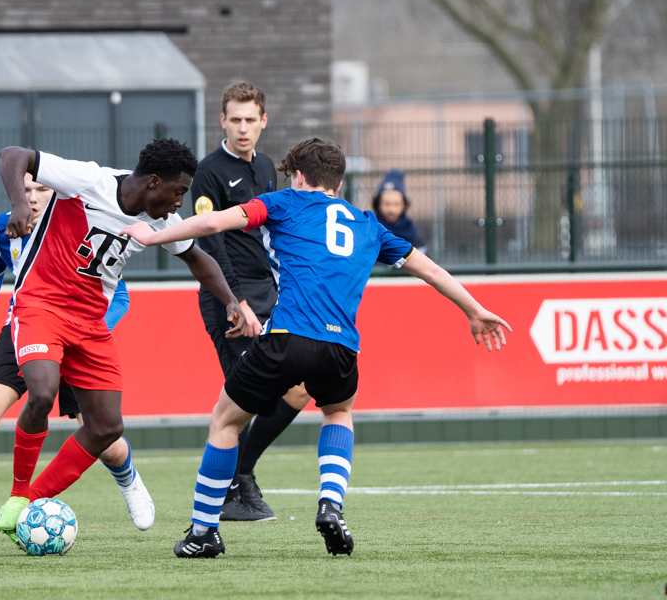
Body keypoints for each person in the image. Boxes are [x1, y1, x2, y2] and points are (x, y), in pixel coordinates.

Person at [119, 137, 511, 558]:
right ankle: (330, 504)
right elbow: (430, 269)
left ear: (299, 176)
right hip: (341, 348)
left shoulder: (284, 202)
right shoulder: (368, 224)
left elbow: (213, 223)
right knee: (339, 412)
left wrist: (151, 235)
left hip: (286, 337)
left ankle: (203, 533)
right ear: (339, 184)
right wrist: (475, 310)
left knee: (225, 423)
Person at [0, 138, 246, 544]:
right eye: (177, 192)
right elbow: (12, 155)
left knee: (107, 426)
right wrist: (21, 203)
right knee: (41, 393)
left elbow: (198, 258)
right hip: (41, 306)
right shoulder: (88, 181)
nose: (179, 203)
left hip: (90, 320)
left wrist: (231, 300)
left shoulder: (157, 221)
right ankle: (19, 493)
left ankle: (31, 501)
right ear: (154, 181)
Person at [0, 178, 154, 546]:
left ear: (57, 192)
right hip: (26, 326)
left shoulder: (82, 228)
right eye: (26, 190)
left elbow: (121, 298)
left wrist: (86, 332)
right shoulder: (3, 230)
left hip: (80, 336)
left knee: (108, 442)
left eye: (41, 190)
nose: (32, 198)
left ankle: (129, 480)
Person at [190, 81, 310, 522]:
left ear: (264, 121)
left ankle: (242, 474)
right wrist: (233, 300)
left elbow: (274, 235)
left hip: (270, 294)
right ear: (223, 121)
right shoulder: (209, 172)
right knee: (246, 396)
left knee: (299, 389)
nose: (243, 128)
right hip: (228, 297)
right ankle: (231, 492)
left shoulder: (264, 167)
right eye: (234, 120)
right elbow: (211, 240)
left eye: (250, 120)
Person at [372, 168, 425, 252]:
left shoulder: (413, 233)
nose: (391, 209)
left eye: (396, 204)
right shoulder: (370, 229)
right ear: (378, 204)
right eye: (387, 204)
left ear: (404, 205)